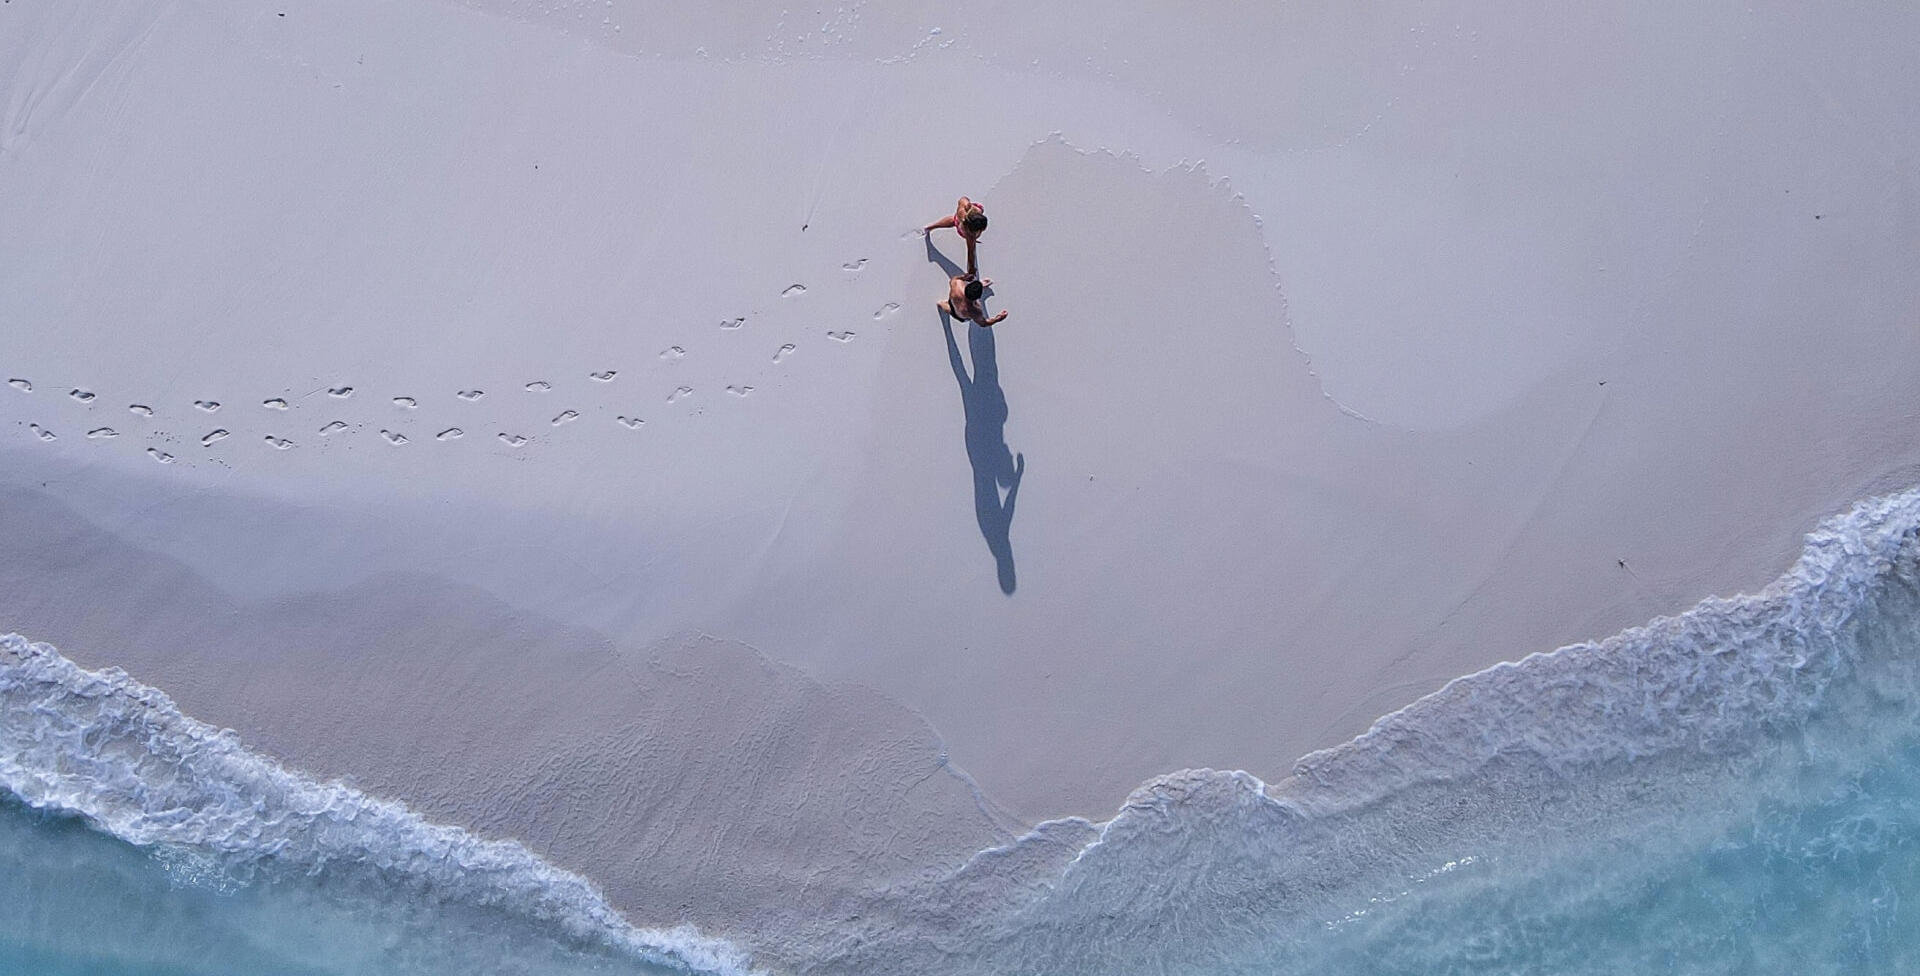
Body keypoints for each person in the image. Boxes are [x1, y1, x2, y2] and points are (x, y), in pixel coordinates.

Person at [925, 196, 989, 268]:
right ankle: (932, 226)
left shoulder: (964, 206)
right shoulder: (970, 236)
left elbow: (963, 199)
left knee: (953, 220)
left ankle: (931, 226)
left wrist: (967, 202)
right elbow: (971, 253)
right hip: (963, 223)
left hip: (962, 217)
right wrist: (972, 269)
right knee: (954, 221)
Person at [940, 273, 1007, 327]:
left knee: (947, 305)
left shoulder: (957, 284)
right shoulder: (974, 311)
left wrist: (964, 277)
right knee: (949, 309)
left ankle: (944, 305)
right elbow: (983, 323)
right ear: (978, 297)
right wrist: (997, 319)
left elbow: (953, 279)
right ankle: (945, 307)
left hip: (953, 300)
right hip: (959, 315)